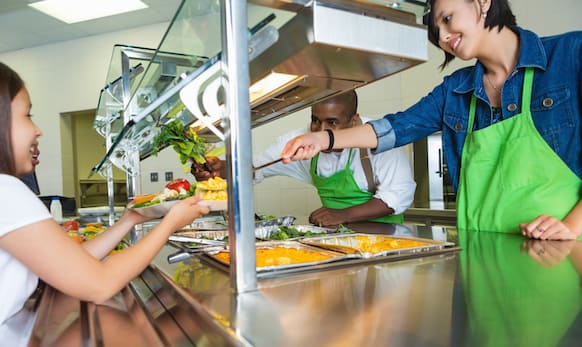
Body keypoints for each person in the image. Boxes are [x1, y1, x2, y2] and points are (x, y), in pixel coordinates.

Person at [280, 0, 582, 240]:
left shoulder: (570, 55)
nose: (444, 36)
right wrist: (324, 139)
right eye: (436, 31)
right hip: (481, 250)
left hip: (561, 253)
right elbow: (397, 127)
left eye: (447, 19)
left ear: (483, 2)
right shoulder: (455, 89)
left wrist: (571, 226)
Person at [0, 62, 209, 341]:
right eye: (27, 115)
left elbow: (74, 263)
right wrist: (170, 223)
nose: (38, 130)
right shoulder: (7, 190)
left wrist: (128, 221)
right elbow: (99, 284)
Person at [192, 91, 416, 227]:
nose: (321, 130)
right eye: (315, 120)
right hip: (337, 239)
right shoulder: (301, 141)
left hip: (385, 236)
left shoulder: (377, 140)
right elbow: (256, 167)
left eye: (332, 122)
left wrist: (343, 214)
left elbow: (399, 195)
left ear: (354, 120)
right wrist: (222, 168)